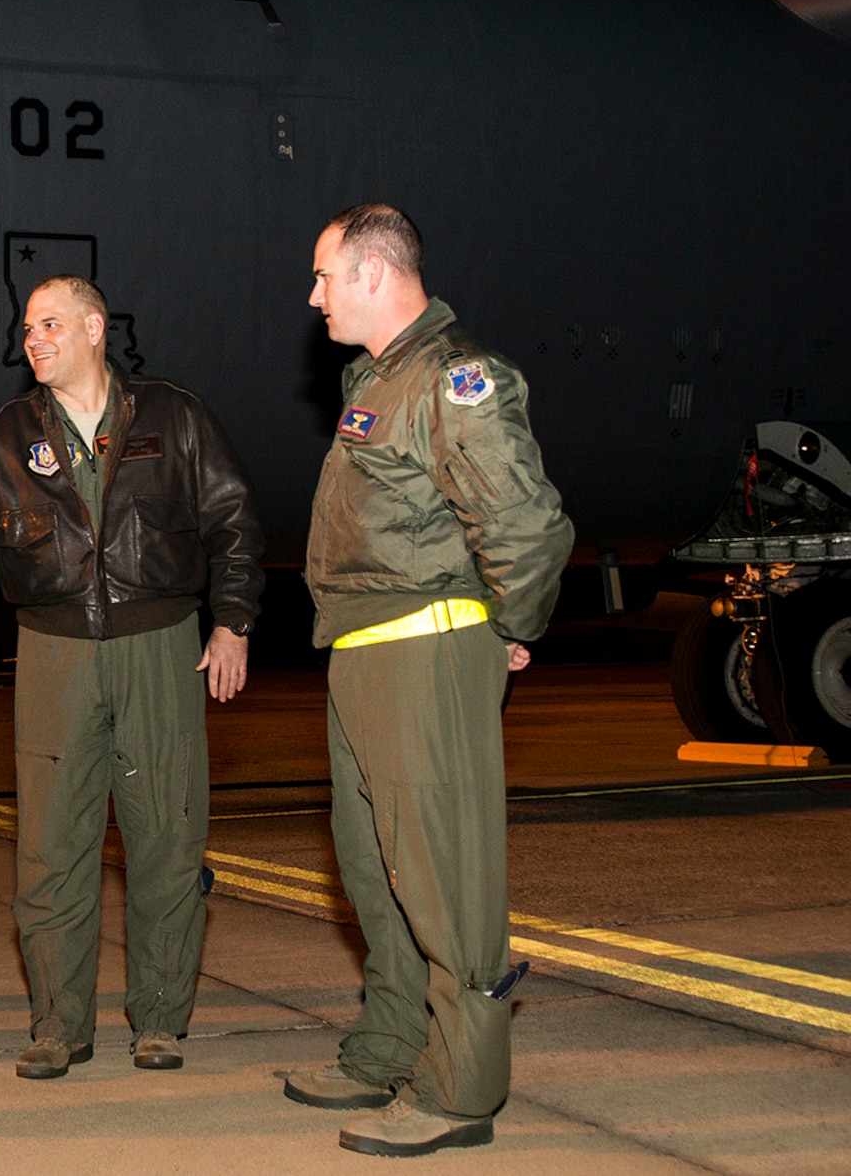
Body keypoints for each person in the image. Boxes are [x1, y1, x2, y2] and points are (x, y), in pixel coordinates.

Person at [0, 275, 265, 1080]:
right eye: (28, 327)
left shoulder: (174, 415)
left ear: (96, 328)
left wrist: (232, 621)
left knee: (166, 835)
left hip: (161, 644)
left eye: (51, 323)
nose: (34, 338)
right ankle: (59, 1024)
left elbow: (233, 520)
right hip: (55, 653)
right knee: (52, 844)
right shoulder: (4, 435)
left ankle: (161, 1019)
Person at [288, 204, 572, 1157]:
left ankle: (460, 1087)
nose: (314, 294)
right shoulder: (379, 378)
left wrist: (514, 629)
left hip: (423, 649)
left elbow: (525, 522)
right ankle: (391, 1044)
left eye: (325, 275)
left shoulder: (455, 379)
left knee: (444, 879)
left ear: (375, 274)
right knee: (374, 868)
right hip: (365, 652)